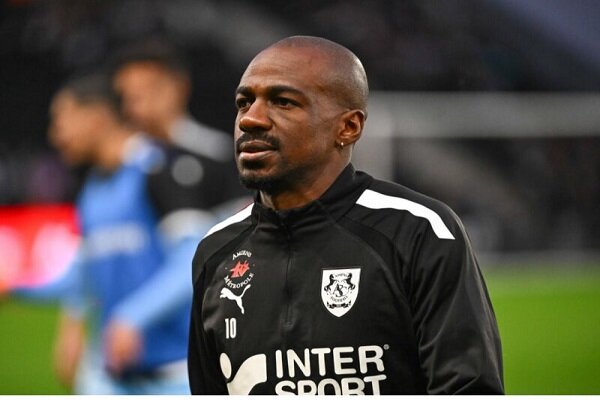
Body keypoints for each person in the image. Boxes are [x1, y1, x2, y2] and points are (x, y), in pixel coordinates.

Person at [187, 36, 504, 395]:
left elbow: (468, 389)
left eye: (283, 102)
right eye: (244, 102)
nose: (251, 119)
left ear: (348, 127)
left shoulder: (418, 231)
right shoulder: (216, 251)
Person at [39, 73, 204, 394]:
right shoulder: (91, 191)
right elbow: (83, 276)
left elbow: (194, 259)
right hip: (116, 379)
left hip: (176, 376)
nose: (55, 134)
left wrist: (131, 317)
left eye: (61, 118)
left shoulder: (159, 168)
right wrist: (67, 317)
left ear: (97, 117)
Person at [110, 39, 248, 222]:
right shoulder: (118, 161)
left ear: (180, 86)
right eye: (127, 97)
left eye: (148, 91)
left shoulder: (217, 150)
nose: (135, 106)